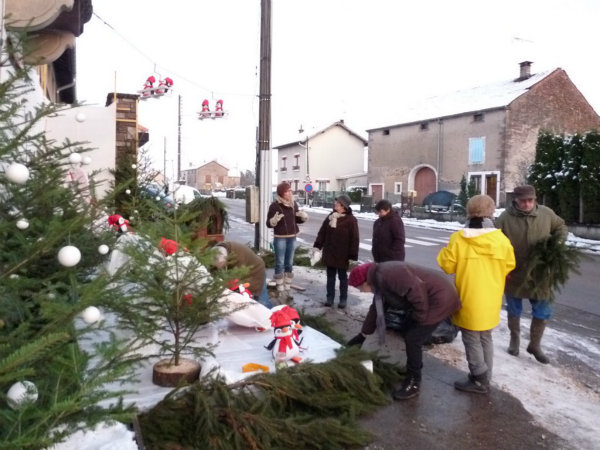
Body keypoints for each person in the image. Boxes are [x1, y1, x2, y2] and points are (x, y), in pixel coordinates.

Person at [346, 261, 461, 400]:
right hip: (428, 300)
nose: (360, 291)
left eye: (359, 288)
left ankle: (414, 382)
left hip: (439, 299)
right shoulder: (379, 280)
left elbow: (417, 291)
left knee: (413, 339)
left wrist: (419, 318)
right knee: (410, 333)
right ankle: (413, 369)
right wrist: (362, 335)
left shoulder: (388, 275)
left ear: (365, 282)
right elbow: (376, 308)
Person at [437, 195, 515, 394]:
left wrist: (445, 252)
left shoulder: (459, 238)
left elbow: (446, 266)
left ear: (469, 211)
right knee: (485, 337)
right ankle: (485, 377)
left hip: (469, 296)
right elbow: (509, 266)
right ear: (491, 212)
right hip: (492, 298)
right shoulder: (501, 239)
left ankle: (479, 379)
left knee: (471, 337)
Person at [496, 185, 568, 364]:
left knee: (543, 310)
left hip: (541, 273)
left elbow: (561, 227)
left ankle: (535, 344)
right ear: (516, 201)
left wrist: (555, 243)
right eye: (523, 201)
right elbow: (494, 240)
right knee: (514, 309)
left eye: (530, 200)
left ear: (535, 200)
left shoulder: (546, 213)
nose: (527, 204)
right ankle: (515, 339)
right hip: (515, 272)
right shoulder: (505, 218)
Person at [313, 194, 359, 308]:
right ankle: (330, 298)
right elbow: (322, 232)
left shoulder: (351, 220)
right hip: (330, 252)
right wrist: (318, 245)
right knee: (330, 276)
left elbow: (355, 238)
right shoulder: (330, 216)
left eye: (337, 203)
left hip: (342, 254)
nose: (335, 204)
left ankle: (343, 299)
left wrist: (352, 254)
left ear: (343, 206)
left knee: (343, 277)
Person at [266, 182, 308, 300]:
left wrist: (302, 217)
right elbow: (268, 224)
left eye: (290, 191)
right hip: (280, 238)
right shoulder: (274, 206)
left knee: (289, 263)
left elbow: (296, 221)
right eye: (287, 191)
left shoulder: (293, 204)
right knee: (279, 263)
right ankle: (280, 289)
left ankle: (288, 289)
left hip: (292, 237)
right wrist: (273, 220)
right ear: (281, 193)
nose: (289, 193)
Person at [213, 241, 272, 308]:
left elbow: (235, 280)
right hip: (246, 269)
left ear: (226, 259)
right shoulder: (217, 251)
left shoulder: (238, 256)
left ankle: (273, 314)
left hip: (256, 270)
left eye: (222, 265)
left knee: (262, 301)